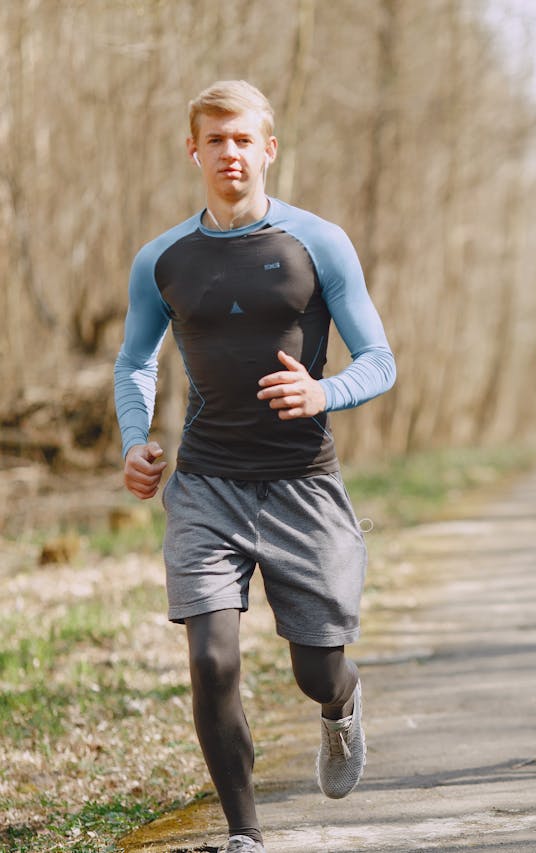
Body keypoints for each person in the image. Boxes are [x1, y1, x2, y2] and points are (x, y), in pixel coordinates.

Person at [113, 80, 396, 853]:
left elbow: (381, 361)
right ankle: (246, 835)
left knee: (316, 668)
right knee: (210, 657)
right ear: (193, 148)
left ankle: (340, 707)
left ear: (268, 147)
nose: (229, 153)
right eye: (215, 140)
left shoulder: (317, 242)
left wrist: (323, 389)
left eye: (244, 139)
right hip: (205, 484)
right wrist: (135, 438)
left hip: (303, 483)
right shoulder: (163, 259)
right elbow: (135, 360)